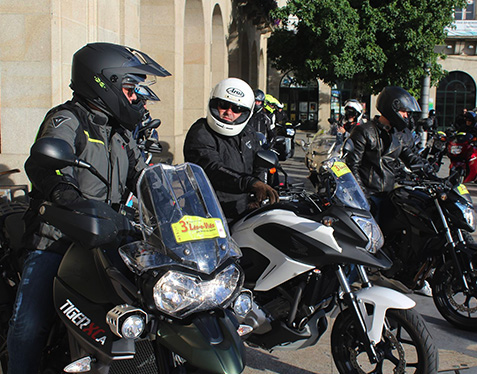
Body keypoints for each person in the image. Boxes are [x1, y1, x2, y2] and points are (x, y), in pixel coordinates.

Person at [7, 42, 170, 374]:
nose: (136, 98)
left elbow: (144, 177)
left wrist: (172, 201)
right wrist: (69, 196)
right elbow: (43, 165)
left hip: (108, 238)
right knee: (29, 324)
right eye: (130, 89)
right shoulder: (67, 119)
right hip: (57, 240)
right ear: (102, 82)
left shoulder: (121, 133)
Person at [344, 86, 434, 296]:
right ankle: (347, 282)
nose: (406, 116)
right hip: (368, 196)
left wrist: (433, 173)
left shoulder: (399, 135)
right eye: (403, 111)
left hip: (390, 194)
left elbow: (412, 158)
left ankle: (409, 276)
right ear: (392, 108)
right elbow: (352, 166)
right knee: (363, 241)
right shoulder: (364, 131)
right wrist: (362, 198)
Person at [183, 78, 279, 221]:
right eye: (223, 106)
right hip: (207, 213)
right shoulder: (201, 132)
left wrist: (257, 195)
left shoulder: (248, 133)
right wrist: (250, 183)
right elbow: (212, 169)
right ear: (214, 104)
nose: (229, 112)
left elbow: (258, 162)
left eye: (237, 109)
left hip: (241, 210)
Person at [456, 110, 477, 180]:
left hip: (474, 144)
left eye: (469, 120)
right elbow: (459, 133)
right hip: (464, 144)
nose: (468, 122)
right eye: (466, 120)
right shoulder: (463, 126)